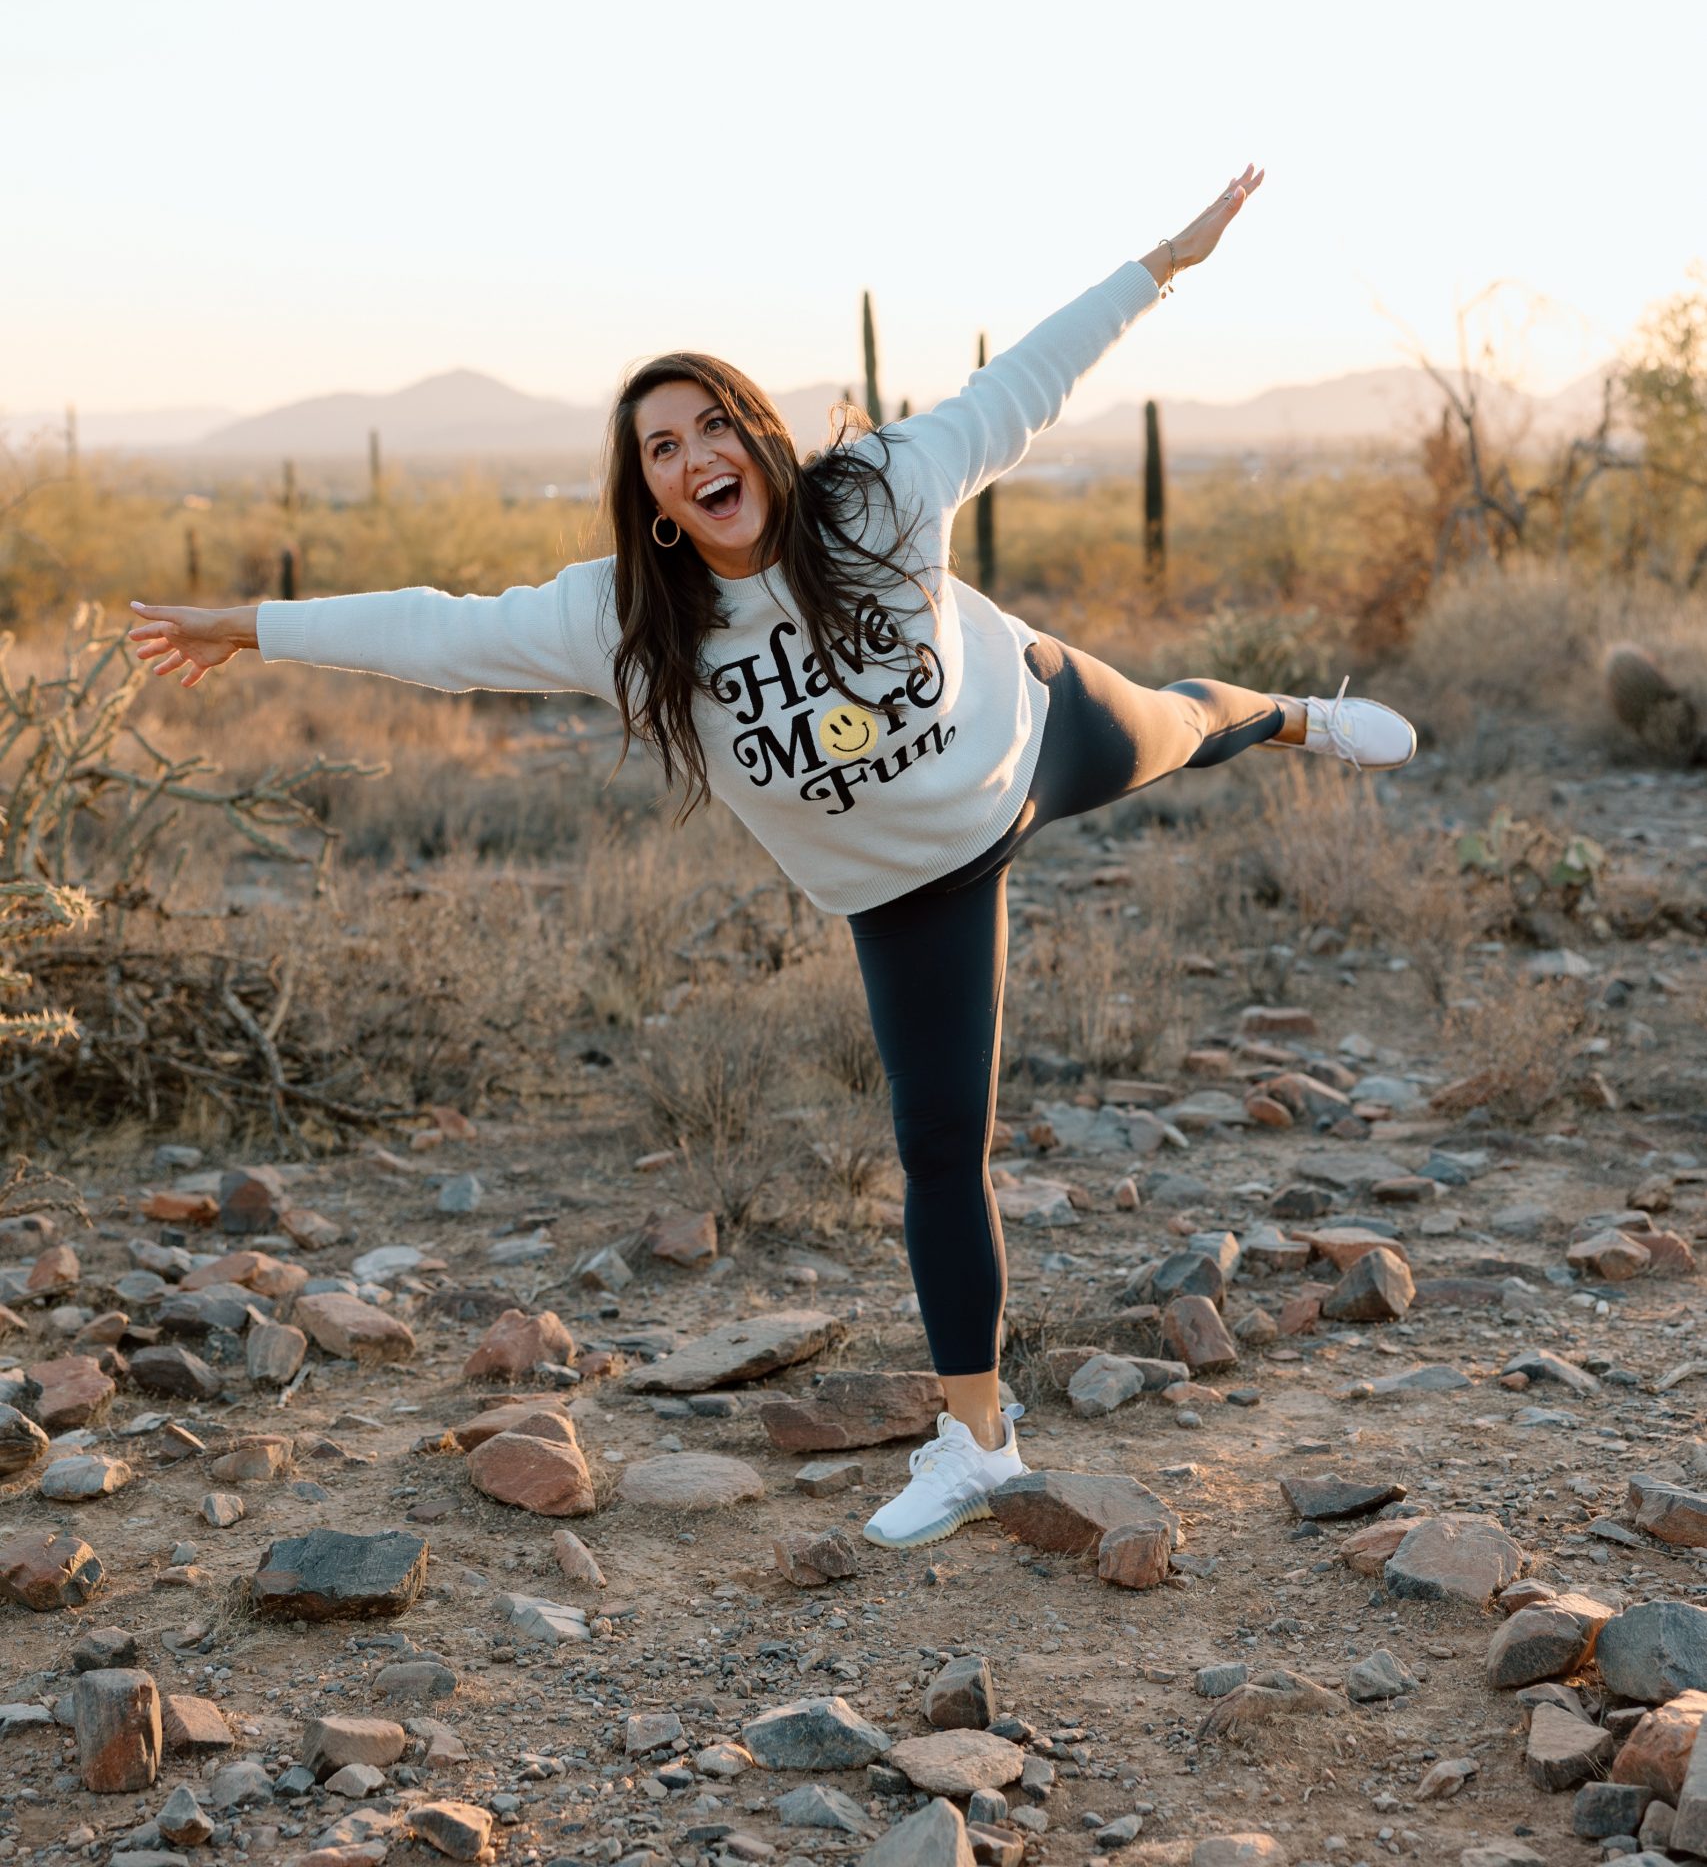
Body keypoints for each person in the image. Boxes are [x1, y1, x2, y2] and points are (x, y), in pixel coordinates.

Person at [130, 166, 1415, 1549]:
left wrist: (1163, 260)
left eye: (710, 425)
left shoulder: (878, 495)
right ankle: (978, 1443)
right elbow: (435, 631)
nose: (692, 456)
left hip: (1031, 736)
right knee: (940, 1146)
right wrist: (246, 626)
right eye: (659, 449)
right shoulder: (627, 618)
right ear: (654, 496)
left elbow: (1029, 381)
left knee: (1182, 724)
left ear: (756, 434)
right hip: (909, 892)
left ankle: (1298, 716)